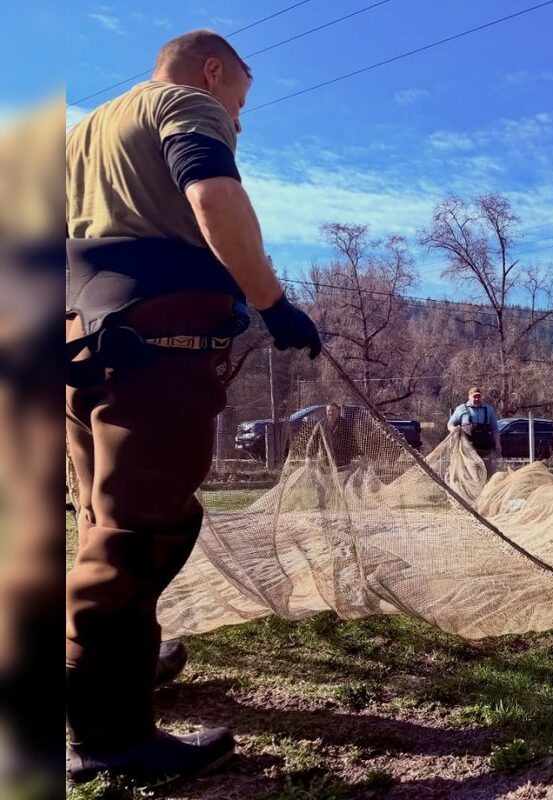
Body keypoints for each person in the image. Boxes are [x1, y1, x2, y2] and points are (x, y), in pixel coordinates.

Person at [65, 30, 321, 786]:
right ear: (214, 72)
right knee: (142, 532)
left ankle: (126, 660)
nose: (236, 122)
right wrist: (273, 303)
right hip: (156, 340)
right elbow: (212, 193)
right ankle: (107, 737)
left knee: (98, 518)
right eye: (238, 105)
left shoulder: (82, 135)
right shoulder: (184, 104)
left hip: (77, 340)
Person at [447, 387, 503, 477]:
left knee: (487, 471)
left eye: (479, 397)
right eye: (474, 397)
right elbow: (450, 424)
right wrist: (454, 429)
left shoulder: (489, 410)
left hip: (485, 448)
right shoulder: (461, 409)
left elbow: (495, 430)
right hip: (467, 448)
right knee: (470, 472)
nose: (477, 399)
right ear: (469, 397)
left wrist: (498, 444)